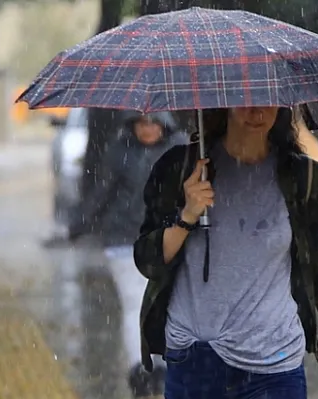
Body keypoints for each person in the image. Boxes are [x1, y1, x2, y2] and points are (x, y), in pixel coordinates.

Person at [133, 107, 318, 398]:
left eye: (266, 99)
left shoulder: (300, 175)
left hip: (274, 361)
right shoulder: (181, 168)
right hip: (196, 360)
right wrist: (187, 215)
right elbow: (148, 260)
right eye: (244, 98)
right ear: (224, 102)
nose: (256, 109)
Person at [68, 111, 188, 397]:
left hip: (167, 240)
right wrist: (80, 223)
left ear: (165, 124)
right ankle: (141, 369)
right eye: (141, 123)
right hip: (124, 241)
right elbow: (102, 191)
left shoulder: (182, 150)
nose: (147, 129)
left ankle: (161, 366)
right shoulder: (118, 150)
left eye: (152, 123)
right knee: (136, 305)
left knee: (165, 305)